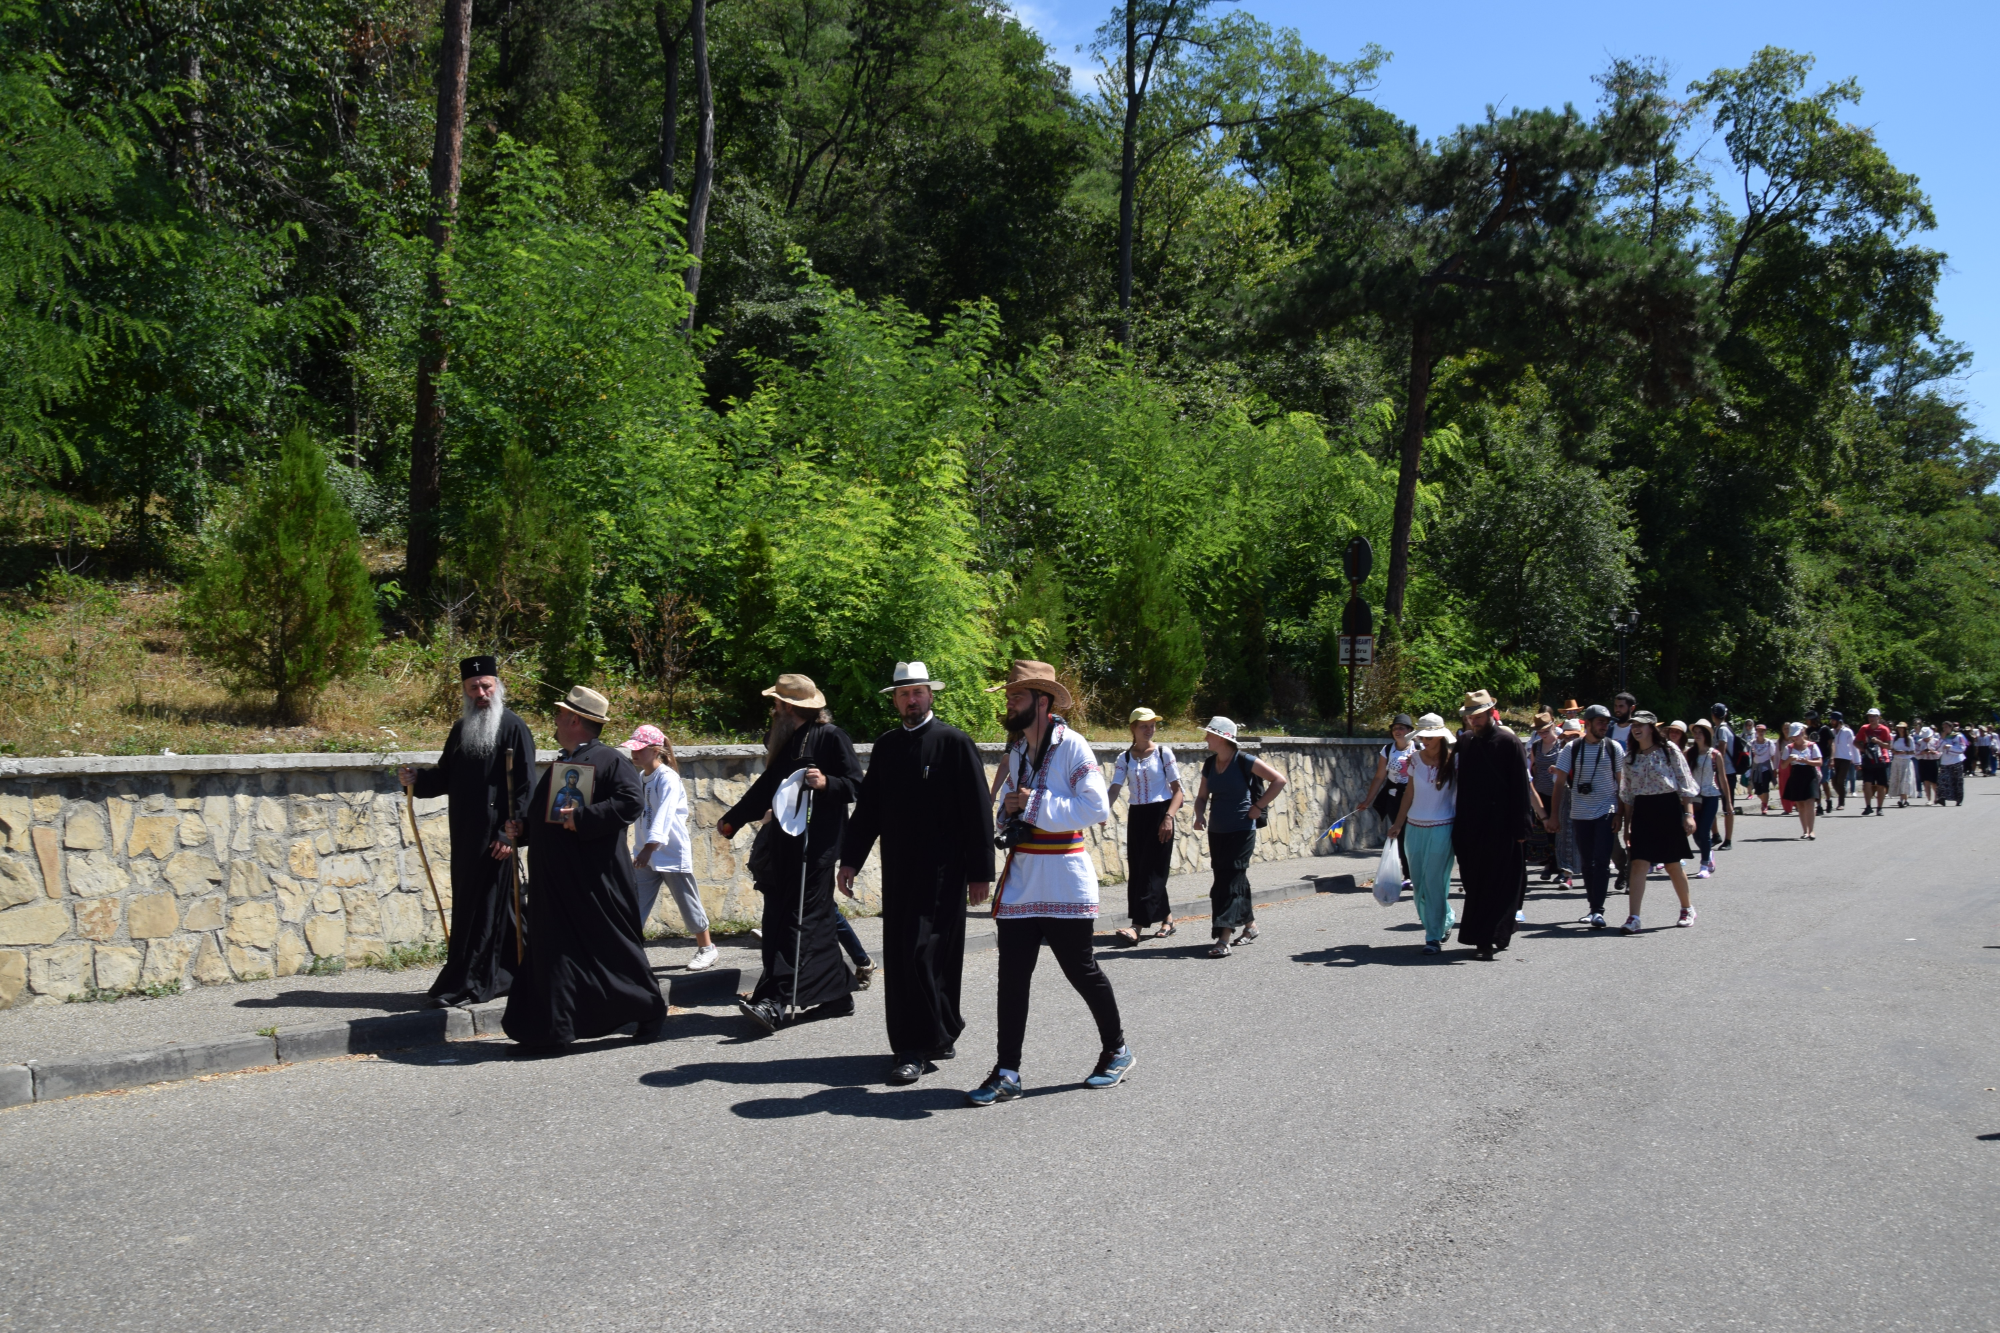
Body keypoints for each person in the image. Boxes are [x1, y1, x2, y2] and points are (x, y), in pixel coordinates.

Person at [966, 661, 1132, 1106]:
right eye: (1008, 696)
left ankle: (1116, 1050)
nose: (1008, 703)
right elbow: (1008, 804)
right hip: (1022, 880)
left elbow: (1095, 807)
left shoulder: (1073, 746)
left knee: (1081, 970)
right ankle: (1006, 1072)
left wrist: (1033, 802)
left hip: (1062, 878)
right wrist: (1007, 813)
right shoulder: (1019, 749)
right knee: (1011, 979)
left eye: (1016, 697)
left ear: (1042, 701)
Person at [839, 660, 995, 1086]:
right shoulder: (888, 747)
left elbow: (978, 810)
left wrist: (982, 871)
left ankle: (934, 1033)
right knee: (908, 955)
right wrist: (849, 859)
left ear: (931, 695)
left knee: (933, 954)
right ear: (895, 700)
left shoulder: (954, 742)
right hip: (901, 873)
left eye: (919, 692)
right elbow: (868, 808)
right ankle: (914, 1044)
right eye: (904, 694)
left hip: (946, 873)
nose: (912, 699)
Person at [500, 686, 669, 1049]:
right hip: (557, 880)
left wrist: (584, 817)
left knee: (611, 949)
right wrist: (524, 829)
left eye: (561, 715)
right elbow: (549, 816)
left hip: (593, 882)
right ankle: (553, 1029)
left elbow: (630, 802)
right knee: (555, 951)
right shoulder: (566, 762)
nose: (556, 721)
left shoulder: (610, 760)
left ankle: (649, 1008)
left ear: (575, 720)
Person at [718, 674, 862, 1033]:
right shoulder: (788, 741)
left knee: (798, 923)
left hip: (817, 849)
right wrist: (732, 820)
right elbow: (766, 788)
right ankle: (837, 995)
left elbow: (858, 785)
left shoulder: (831, 737)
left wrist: (828, 783)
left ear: (790, 707)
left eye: (777, 704)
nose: (773, 710)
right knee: (794, 922)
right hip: (787, 847)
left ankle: (776, 1001)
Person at [398, 655, 535, 1007]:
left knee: (486, 909)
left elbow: (525, 788)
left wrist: (511, 834)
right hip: (465, 837)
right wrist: (417, 780)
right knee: (481, 908)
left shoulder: (513, 727)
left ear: (498, 686)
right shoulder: (461, 730)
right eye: (473, 687)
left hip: (497, 838)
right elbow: (445, 775)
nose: (481, 693)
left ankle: (470, 982)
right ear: (464, 691)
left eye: (486, 685)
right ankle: (508, 974)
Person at [620, 724, 718, 972]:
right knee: (635, 905)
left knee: (687, 902)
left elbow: (663, 815)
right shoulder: (641, 778)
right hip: (646, 853)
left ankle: (707, 948)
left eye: (640, 749)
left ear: (655, 750)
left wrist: (649, 848)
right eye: (633, 749)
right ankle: (626, 956)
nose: (634, 753)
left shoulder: (668, 778)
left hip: (669, 852)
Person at [1190, 715, 1288, 958]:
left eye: (1209, 734)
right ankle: (1250, 925)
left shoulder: (1245, 760)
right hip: (1217, 831)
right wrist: (1199, 816)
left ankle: (1224, 938)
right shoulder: (1210, 764)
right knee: (1232, 877)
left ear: (1223, 738)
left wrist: (1258, 807)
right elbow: (1202, 797)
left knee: (1228, 881)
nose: (1205, 738)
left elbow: (1279, 780)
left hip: (1242, 830)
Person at [1451, 690, 1532, 959]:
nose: (1474, 721)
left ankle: (1491, 937)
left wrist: (1521, 827)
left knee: (1501, 882)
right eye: (1470, 716)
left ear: (1489, 713)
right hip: (1471, 825)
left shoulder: (1509, 742)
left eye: (1478, 715)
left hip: (1502, 825)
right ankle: (1483, 934)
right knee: (1475, 882)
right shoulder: (1464, 743)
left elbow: (1521, 786)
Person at [1105, 706, 1184, 945]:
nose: (1149, 730)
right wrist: (1101, 811)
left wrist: (1168, 817)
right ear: (1133, 728)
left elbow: (1179, 792)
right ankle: (1167, 920)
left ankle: (1136, 926)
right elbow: (1115, 788)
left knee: (1153, 871)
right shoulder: (1125, 757)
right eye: (1144, 726)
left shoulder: (1163, 753)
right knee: (1140, 871)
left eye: (1152, 725)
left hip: (1161, 813)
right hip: (1138, 815)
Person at [1618, 711, 1699, 932]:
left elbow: (1684, 781)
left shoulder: (1668, 750)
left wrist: (1689, 814)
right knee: (1638, 863)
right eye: (1634, 724)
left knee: (1672, 864)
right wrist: (1627, 826)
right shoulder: (1629, 758)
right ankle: (1634, 917)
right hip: (1643, 810)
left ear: (1652, 728)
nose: (1636, 728)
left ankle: (1687, 908)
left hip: (1668, 807)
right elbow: (1627, 795)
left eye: (1641, 725)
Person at [1546, 704, 1623, 929]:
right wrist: (1554, 817)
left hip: (1606, 810)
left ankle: (1598, 910)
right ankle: (1592, 908)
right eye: (1600, 722)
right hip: (1579, 812)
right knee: (1587, 863)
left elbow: (1622, 783)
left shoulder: (1614, 748)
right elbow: (1559, 783)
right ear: (1587, 724)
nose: (1604, 727)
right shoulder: (1572, 748)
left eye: (1607, 723)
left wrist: (1619, 812)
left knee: (1601, 860)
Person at [1389, 713, 1457, 953]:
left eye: (1430, 736)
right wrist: (1398, 824)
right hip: (1415, 828)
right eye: (1422, 736)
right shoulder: (1414, 759)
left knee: (1435, 882)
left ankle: (1433, 935)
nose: (1425, 740)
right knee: (1419, 883)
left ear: (1441, 736)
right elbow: (1409, 794)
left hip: (1443, 827)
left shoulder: (1454, 761)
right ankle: (1445, 917)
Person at [1361, 714, 1417, 849]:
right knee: (1400, 835)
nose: (1397, 731)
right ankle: (1405, 867)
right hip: (1394, 798)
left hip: (1415, 798)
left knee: (1413, 834)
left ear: (1410, 730)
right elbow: (1380, 777)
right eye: (1394, 729)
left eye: (1401, 728)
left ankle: (1414, 866)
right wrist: (1367, 801)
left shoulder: (1418, 749)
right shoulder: (1387, 750)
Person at [1686, 719, 1727, 878]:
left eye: (1700, 732)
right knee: (1695, 832)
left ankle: (1704, 865)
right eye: (1695, 732)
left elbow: (1723, 779)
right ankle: (1708, 853)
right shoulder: (1689, 753)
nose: (1697, 735)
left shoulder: (1715, 754)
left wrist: (1728, 804)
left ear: (1707, 735)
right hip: (1694, 797)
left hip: (1711, 795)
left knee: (1704, 830)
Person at [1779, 723, 1822, 839]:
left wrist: (1807, 761)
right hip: (1796, 774)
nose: (1795, 738)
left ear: (1802, 733)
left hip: (1810, 774)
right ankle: (1805, 831)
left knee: (1810, 803)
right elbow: (1783, 765)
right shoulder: (1789, 748)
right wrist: (1789, 759)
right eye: (1793, 736)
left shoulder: (1812, 746)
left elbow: (1819, 762)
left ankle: (1811, 830)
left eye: (1797, 735)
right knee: (1801, 805)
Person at [1856, 708, 1894, 816]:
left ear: (1878, 717)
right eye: (1869, 716)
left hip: (1882, 760)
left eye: (1873, 716)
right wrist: (1864, 750)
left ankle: (1879, 807)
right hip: (1868, 760)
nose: (1871, 718)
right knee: (1867, 784)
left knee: (1881, 785)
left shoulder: (1884, 729)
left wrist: (1878, 742)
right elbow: (1856, 742)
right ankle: (1868, 806)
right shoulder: (1864, 728)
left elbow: (1889, 746)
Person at [1711, 702, 1739, 846]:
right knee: (1713, 804)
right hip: (1727, 772)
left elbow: (1721, 749)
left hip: (1726, 773)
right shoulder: (1724, 728)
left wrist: (1715, 765)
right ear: (1725, 714)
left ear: (1712, 715)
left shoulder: (1721, 730)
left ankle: (1727, 840)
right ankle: (1717, 836)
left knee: (1728, 806)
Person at [1829, 712, 1859, 811]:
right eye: (1831, 720)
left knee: (1841, 781)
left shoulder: (1847, 732)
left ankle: (1841, 803)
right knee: (1834, 782)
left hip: (1845, 759)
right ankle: (1843, 793)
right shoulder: (1831, 731)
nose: (1832, 722)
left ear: (1839, 721)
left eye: (1833, 720)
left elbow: (1853, 746)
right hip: (1834, 759)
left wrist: (1857, 761)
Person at [1749, 722, 1779, 815]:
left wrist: (1775, 769)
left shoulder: (1769, 743)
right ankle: (1764, 801)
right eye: (1759, 731)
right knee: (1757, 790)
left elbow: (1773, 756)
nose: (1761, 732)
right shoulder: (1752, 743)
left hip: (1766, 768)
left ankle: (1764, 805)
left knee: (1765, 787)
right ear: (1756, 731)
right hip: (1756, 768)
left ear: (1765, 732)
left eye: (1763, 731)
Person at [1936, 720, 1968, 807]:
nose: (1944, 729)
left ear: (1951, 727)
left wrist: (1950, 747)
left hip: (1956, 761)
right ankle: (1942, 798)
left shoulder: (1958, 736)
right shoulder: (1942, 737)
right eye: (1943, 727)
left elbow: (1961, 749)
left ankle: (1959, 799)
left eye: (1946, 727)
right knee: (1943, 780)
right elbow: (1938, 748)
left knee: (1957, 781)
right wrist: (1942, 739)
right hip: (1945, 762)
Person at [1888, 721, 1918, 808]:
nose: (1900, 729)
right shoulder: (1895, 738)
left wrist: (1905, 752)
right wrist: (1895, 752)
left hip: (1906, 761)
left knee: (1905, 781)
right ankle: (1903, 799)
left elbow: (1913, 751)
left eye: (1902, 728)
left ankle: (1903, 799)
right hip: (1897, 761)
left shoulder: (1909, 739)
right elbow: (1892, 749)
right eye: (1899, 728)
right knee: (1898, 780)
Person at [1915, 723, 1941, 804]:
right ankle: (1929, 799)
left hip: (1933, 761)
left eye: (1927, 737)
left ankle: (1937, 798)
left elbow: (1940, 752)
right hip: (1923, 762)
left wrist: (1933, 752)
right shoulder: (1919, 742)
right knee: (1926, 781)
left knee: (1934, 781)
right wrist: (1922, 752)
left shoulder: (1936, 741)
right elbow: (1915, 753)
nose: (1925, 739)